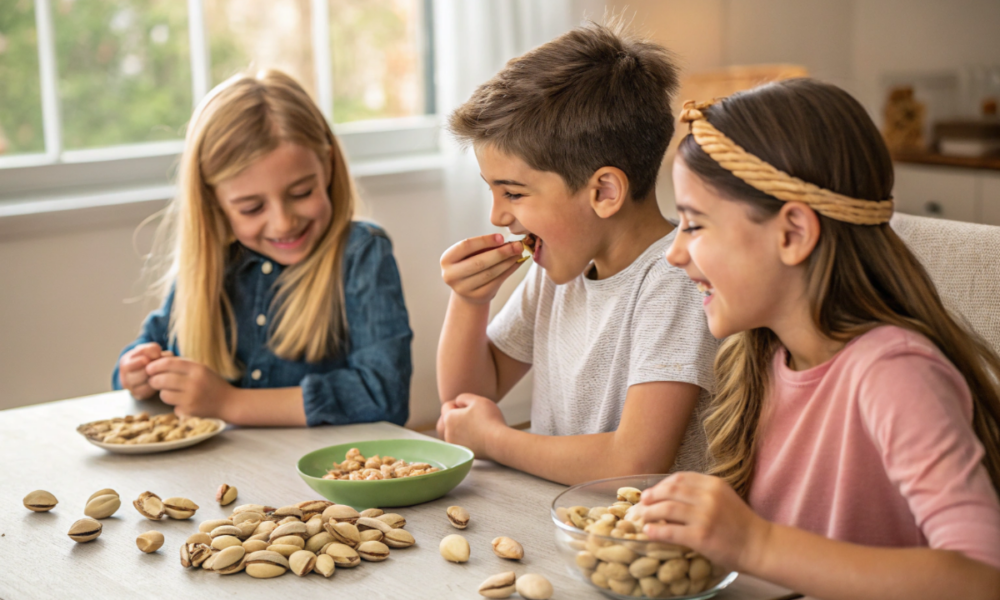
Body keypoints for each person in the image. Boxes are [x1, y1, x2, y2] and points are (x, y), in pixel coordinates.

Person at [638, 79, 1000, 598]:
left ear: (793, 234)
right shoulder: (765, 353)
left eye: (694, 225)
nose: (674, 253)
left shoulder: (894, 372)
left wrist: (756, 544)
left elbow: (983, 577)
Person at [436, 22, 717, 485]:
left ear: (604, 191)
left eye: (513, 193)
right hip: (564, 525)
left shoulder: (676, 278)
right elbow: (467, 402)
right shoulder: (558, 270)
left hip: (644, 546)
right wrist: (470, 302)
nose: (497, 216)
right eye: (492, 191)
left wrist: (496, 441)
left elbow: (633, 462)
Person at [113, 70, 412, 427]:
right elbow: (148, 351)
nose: (283, 223)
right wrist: (138, 372)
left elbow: (384, 397)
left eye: (301, 193)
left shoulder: (361, 255)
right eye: (252, 208)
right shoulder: (211, 265)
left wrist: (229, 403)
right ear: (214, 203)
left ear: (328, 166)